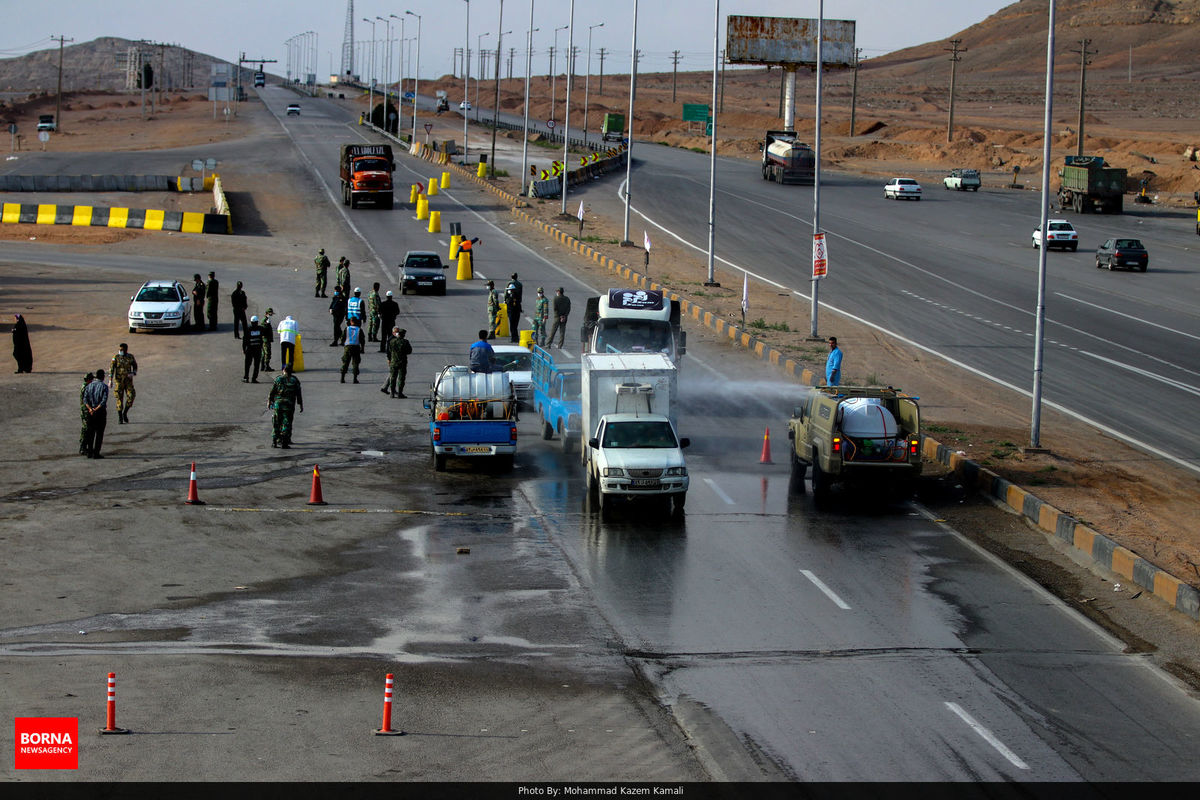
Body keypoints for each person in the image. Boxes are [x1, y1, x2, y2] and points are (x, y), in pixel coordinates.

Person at [267, 364, 303, 448]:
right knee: (286, 422)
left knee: (276, 421)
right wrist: (300, 404)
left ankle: (274, 441)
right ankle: (285, 442)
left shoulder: (278, 379)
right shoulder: (295, 380)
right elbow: (299, 394)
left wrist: (269, 401)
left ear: (284, 370)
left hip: (278, 404)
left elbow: (272, 391)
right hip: (289, 405)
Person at [82, 368, 110, 458]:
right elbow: (103, 401)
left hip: (90, 413)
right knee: (99, 433)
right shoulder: (104, 386)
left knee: (91, 432)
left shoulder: (89, 386)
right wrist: (96, 409)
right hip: (100, 412)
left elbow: (85, 399)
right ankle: (96, 453)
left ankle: (89, 452)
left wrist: (90, 409)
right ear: (103, 377)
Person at [109, 342, 138, 424]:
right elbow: (111, 369)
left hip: (128, 381)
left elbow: (135, 365)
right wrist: (110, 380)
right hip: (119, 381)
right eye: (119, 349)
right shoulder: (116, 357)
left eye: (121, 349)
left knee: (131, 396)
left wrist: (133, 373)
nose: (120, 350)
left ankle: (125, 412)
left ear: (126, 349)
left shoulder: (130, 357)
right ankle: (120, 417)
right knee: (119, 399)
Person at [382, 327, 413, 398]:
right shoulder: (405, 342)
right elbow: (409, 351)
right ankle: (400, 393)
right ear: (403, 335)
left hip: (394, 362)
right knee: (401, 378)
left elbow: (389, 350)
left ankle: (392, 393)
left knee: (393, 377)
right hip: (402, 362)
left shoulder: (392, 341)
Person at [340, 317, 363, 383]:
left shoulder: (347, 328)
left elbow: (342, 337)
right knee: (355, 363)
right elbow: (362, 340)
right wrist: (362, 348)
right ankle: (355, 379)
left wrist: (343, 343)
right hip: (356, 347)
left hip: (348, 347)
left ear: (350, 321)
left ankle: (342, 378)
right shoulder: (359, 329)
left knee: (345, 362)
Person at [243, 315, 264, 383]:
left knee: (247, 364)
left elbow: (245, 340)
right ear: (257, 322)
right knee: (256, 364)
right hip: (257, 349)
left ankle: (246, 378)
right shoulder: (260, 329)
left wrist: (244, 349)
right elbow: (266, 333)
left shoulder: (248, 329)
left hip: (250, 349)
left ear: (251, 322)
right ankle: (254, 378)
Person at [504, 272, 523, 343]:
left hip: (512, 311)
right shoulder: (520, 285)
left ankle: (514, 338)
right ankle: (515, 337)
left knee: (512, 325)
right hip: (517, 310)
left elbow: (507, 298)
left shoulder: (511, 296)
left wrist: (505, 300)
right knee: (514, 325)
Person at [78, 371, 94, 455]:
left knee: (87, 428)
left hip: (85, 410)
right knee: (86, 428)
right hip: (85, 410)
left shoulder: (85, 386)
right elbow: (86, 400)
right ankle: (83, 447)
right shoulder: (86, 387)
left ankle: (85, 446)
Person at [260, 307, 275, 372]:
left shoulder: (266, 319)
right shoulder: (265, 320)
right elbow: (264, 330)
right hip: (266, 339)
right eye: (270, 313)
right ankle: (266, 366)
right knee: (267, 353)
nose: (271, 315)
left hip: (265, 339)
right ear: (267, 313)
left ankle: (263, 366)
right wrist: (268, 324)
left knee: (264, 353)